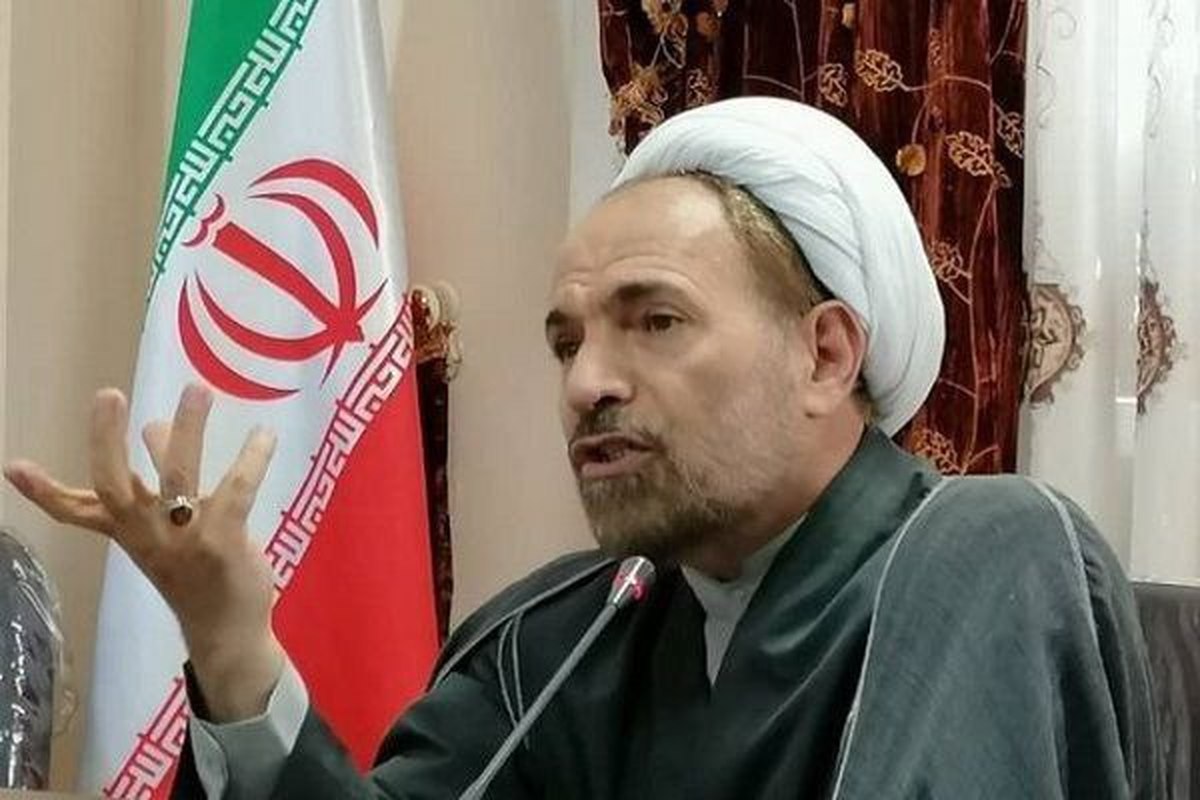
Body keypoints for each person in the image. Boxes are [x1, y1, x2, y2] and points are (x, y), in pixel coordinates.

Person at [5, 98, 1160, 799]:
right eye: (567, 340)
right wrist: (229, 637)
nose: (586, 381)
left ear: (824, 354)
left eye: (654, 320)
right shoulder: (555, 634)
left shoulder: (984, 556)